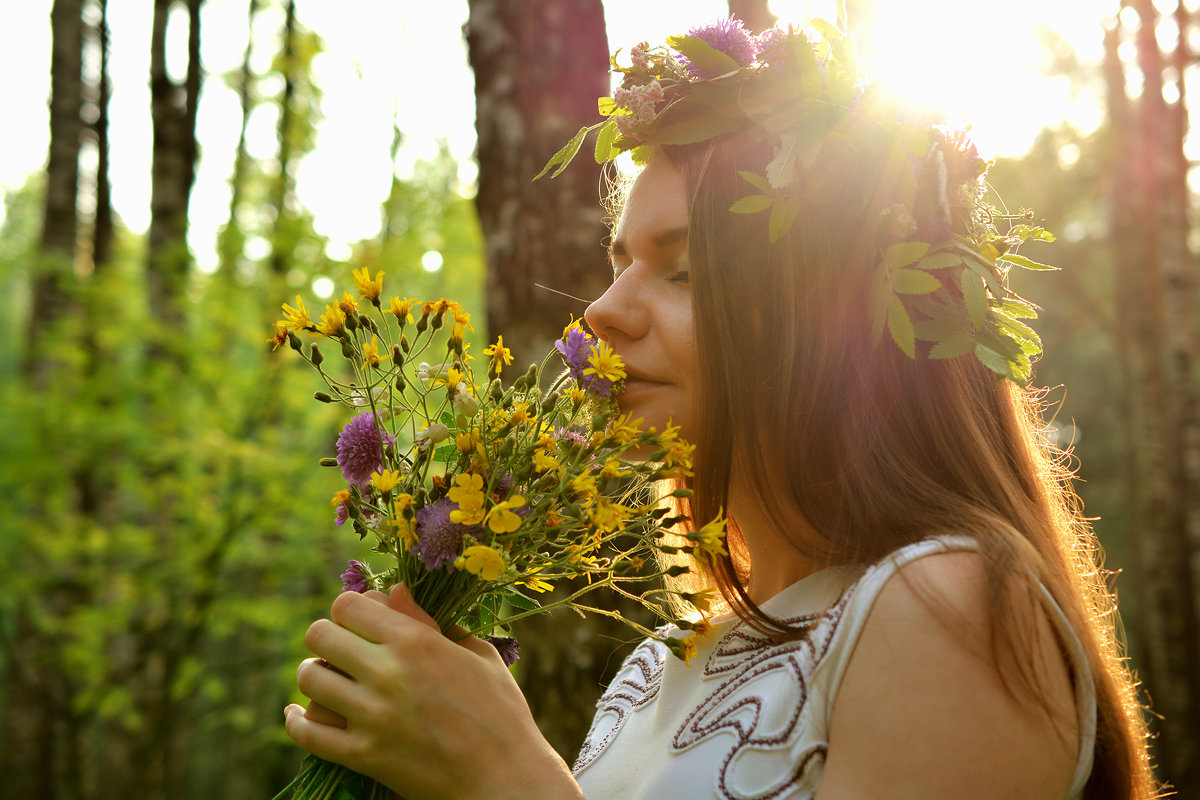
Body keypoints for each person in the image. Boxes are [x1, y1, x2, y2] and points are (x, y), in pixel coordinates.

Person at [283, 18, 1158, 800]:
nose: (602, 313)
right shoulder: (658, 667)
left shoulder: (948, 606)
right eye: (621, 260)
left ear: (837, 325)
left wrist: (499, 776)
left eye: (686, 271)